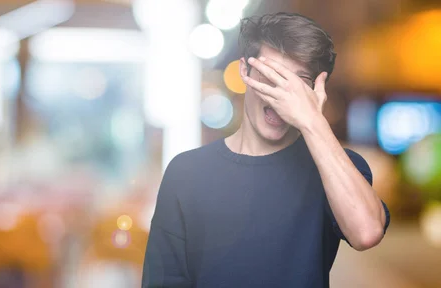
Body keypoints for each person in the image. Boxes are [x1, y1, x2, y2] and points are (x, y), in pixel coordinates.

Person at [141, 12, 390, 288]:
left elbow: (367, 233)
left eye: (296, 84)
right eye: (270, 76)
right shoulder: (186, 172)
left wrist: (313, 122)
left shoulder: (337, 166)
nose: (279, 96)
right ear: (245, 71)